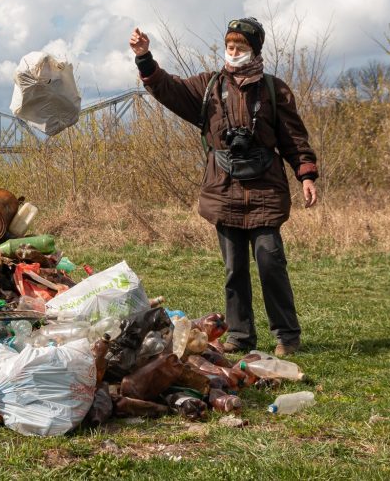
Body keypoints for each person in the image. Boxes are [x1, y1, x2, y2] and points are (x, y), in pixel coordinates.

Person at [129, 19, 318, 356]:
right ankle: (241, 336)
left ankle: (287, 337)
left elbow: (293, 137)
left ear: (254, 51)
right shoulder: (208, 87)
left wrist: (306, 175)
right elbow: (168, 88)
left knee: (270, 261)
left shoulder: (276, 90)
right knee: (234, 269)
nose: (233, 52)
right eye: (229, 46)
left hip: (265, 189)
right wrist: (144, 58)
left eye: (240, 47)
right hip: (223, 188)